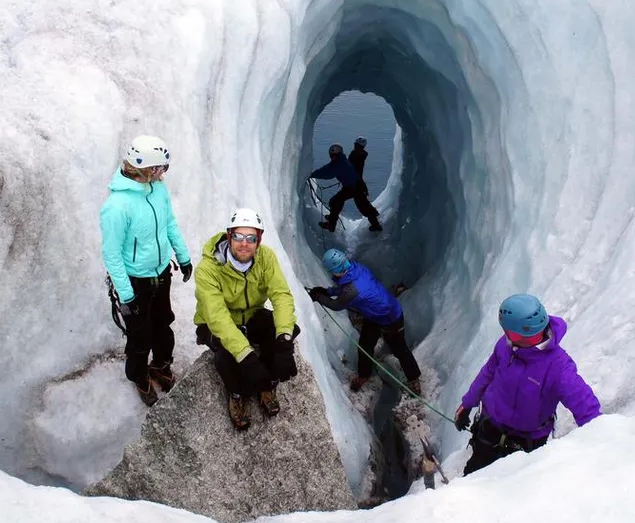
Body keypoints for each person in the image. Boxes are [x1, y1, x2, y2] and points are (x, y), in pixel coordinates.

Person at [454, 293, 601, 475]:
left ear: (515, 332)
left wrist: (600, 448)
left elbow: (585, 406)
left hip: (527, 441)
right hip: (491, 426)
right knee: (474, 475)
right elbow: (488, 374)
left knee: (513, 487)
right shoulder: (505, 347)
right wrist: (467, 403)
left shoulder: (558, 367)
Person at [100, 135, 192, 407]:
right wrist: (126, 296)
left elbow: (170, 224)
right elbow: (112, 254)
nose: (164, 173)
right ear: (146, 168)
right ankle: (138, 375)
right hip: (135, 281)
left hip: (161, 274)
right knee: (140, 336)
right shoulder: (117, 207)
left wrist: (183, 257)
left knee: (164, 324)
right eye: (160, 167)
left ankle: (161, 365)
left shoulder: (158, 190)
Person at [193, 207, 300, 430]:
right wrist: (247, 356)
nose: (244, 243)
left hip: (251, 316)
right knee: (226, 356)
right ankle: (236, 393)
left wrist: (284, 341)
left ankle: (267, 384)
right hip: (216, 323)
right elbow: (217, 316)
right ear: (229, 236)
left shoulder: (265, 258)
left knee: (279, 332)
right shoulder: (209, 268)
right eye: (239, 237)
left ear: (258, 241)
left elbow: (281, 296)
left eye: (251, 238)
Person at [308, 248, 421, 396]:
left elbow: (337, 305)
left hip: (391, 316)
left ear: (335, 270)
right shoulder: (355, 268)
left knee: (399, 349)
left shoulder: (353, 289)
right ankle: (364, 374)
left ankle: (414, 379)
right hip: (373, 315)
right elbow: (345, 288)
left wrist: (318, 296)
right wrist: (327, 291)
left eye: (331, 271)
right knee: (365, 345)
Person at [310, 143, 382, 232]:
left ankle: (331, 224)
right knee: (338, 201)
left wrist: (311, 174)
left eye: (332, 155)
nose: (331, 158)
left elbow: (327, 172)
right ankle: (333, 219)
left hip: (354, 187)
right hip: (354, 186)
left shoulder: (338, 163)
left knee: (343, 202)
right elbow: (327, 168)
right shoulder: (341, 160)